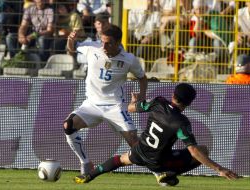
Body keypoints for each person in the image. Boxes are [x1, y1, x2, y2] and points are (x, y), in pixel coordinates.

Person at [74, 83, 239, 186]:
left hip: (141, 150)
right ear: (189, 103)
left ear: (173, 95)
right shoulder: (181, 123)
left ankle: (88, 175)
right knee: (203, 149)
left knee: (120, 159)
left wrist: (134, 100)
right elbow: (194, 151)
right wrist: (219, 169)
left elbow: (131, 108)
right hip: (160, 161)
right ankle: (168, 174)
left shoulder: (158, 102)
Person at [64, 24, 148, 176]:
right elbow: (71, 49)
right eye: (102, 41)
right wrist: (70, 39)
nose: (103, 45)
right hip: (91, 104)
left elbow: (142, 78)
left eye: (108, 43)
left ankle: (159, 172)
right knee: (68, 125)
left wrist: (141, 96)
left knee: (134, 142)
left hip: (115, 106)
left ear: (117, 43)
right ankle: (85, 163)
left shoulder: (129, 59)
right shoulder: (92, 48)